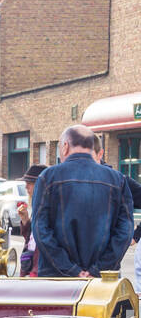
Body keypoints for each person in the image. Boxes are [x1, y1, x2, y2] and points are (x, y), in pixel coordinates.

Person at [31, 125, 134, 278]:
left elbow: (41, 231)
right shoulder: (117, 179)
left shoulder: (48, 177)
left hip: (57, 279)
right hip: (103, 281)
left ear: (65, 146)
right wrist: (99, 270)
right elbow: (125, 232)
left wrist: (71, 270)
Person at [94, 134, 141, 295]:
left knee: (116, 310)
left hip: (108, 265)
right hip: (77, 268)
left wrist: (137, 233)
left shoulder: (118, 180)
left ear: (99, 155)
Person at [18, 163, 46, 276]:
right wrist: (25, 220)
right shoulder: (37, 205)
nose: (26, 187)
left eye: (29, 183)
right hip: (30, 266)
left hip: (37, 269)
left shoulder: (46, 207)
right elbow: (30, 238)